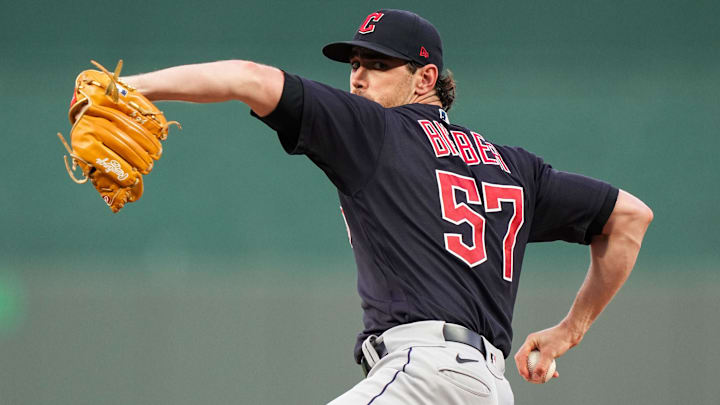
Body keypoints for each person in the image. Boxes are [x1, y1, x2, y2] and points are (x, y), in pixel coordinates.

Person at [121, 9, 653, 405]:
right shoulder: (515, 169)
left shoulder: (374, 130)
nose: (358, 77)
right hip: (488, 388)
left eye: (378, 64)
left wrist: (131, 89)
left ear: (425, 79)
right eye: (355, 64)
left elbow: (247, 78)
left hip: (425, 377)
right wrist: (569, 331)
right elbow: (629, 217)